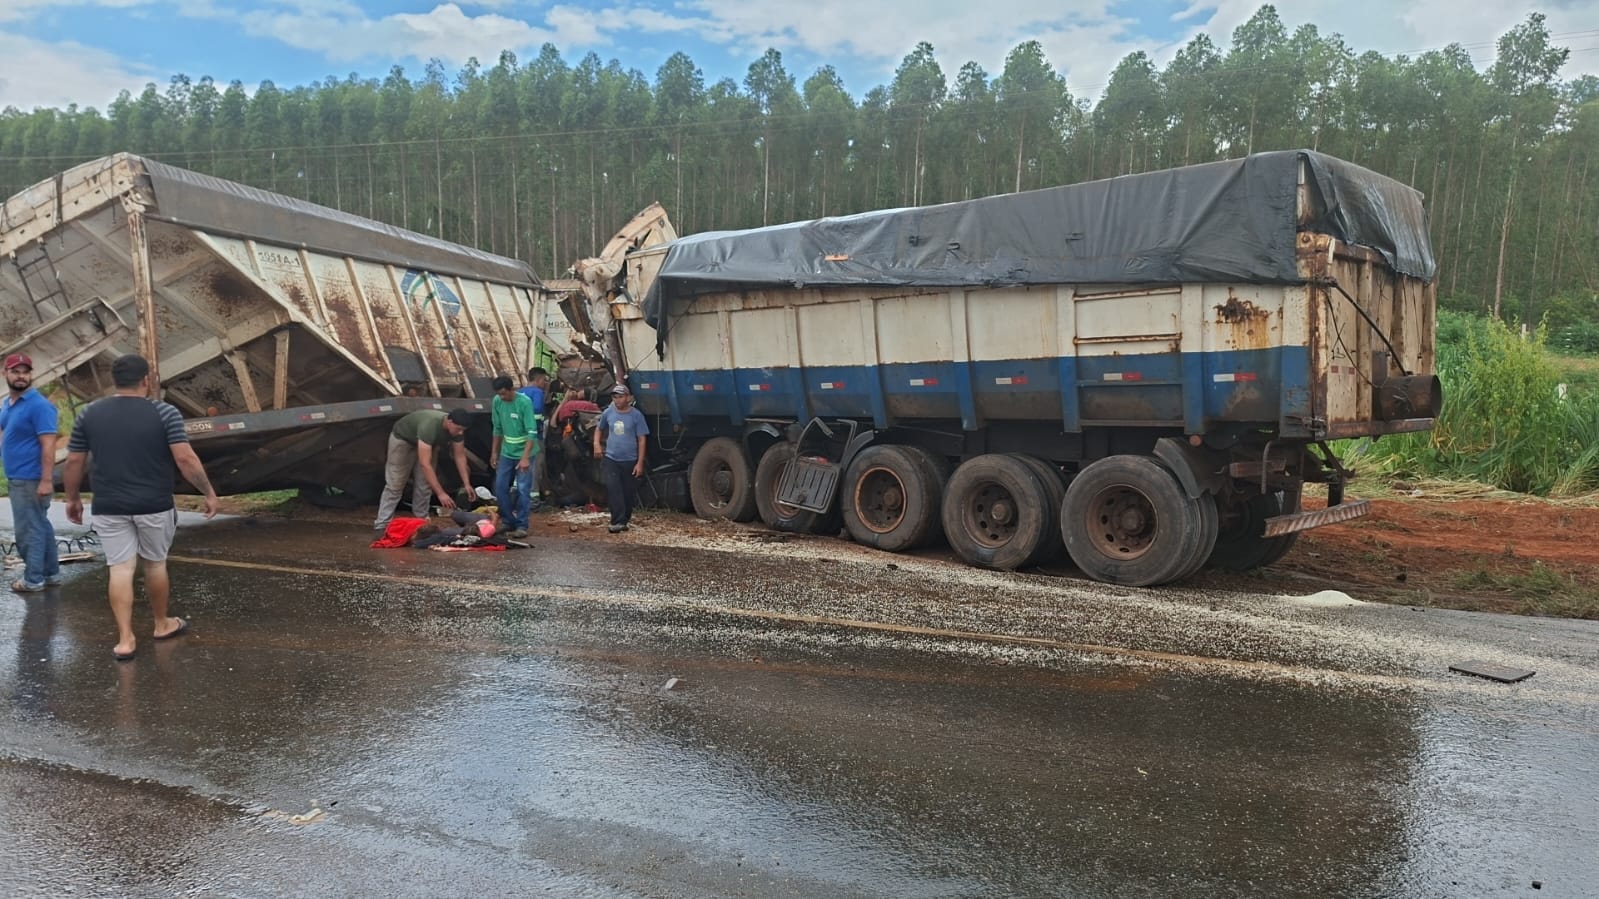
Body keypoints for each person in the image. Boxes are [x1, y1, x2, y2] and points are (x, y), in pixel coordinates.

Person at [62, 353, 219, 661]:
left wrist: (72, 498)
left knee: (120, 568)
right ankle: (161, 624)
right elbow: (185, 458)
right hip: (154, 505)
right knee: (155, 564)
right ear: (146, 380)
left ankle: (125, 639)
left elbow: (73, 462)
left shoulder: (90, 414)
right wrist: (209, 492)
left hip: (109, 505)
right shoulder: (164, 413)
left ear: (114, 381)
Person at [0, 353, 62, 593]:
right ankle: (50, 573)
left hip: (31, 478)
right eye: (16, 372)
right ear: (5, 373)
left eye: (25, 372)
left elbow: (48, 445)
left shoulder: (39, 406)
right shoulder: (9, 404)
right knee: (40, 526)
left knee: (28, 530)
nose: (21, 376)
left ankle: (33, 579)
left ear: (31, 375)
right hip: (18, 476)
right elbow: (5, 433)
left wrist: (46, 480)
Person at [373, 407, 473, 532]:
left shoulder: (457, 432)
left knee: (425, 484)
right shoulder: (430, 425)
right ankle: (382, 523)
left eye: (463, 430)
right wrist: (441, 493)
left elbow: (460, 456)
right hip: (404, 440)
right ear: (449, 421)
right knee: (396, 483)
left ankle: (421, 521)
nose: (460, 433)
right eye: (458, 429)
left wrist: (466, 483)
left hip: (429, 444)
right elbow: (425, 464)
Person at [593, 384, 648, 533]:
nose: (617, 400)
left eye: (621, 397)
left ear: (628, 398)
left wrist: (639, 463)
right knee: (613, 489)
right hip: (611, 458)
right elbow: (599, 429)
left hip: (630, 459)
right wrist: (596, 444)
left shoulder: (636, 416)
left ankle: (624, 519)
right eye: (615, 397)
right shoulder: (608, 413)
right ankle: (617, 520)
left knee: (627, 492)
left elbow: (642, 440)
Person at [489, 375, 535, 539]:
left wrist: (525, 458)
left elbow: (531, 432)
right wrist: (494, 452)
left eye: (504, 394)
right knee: (500, 487)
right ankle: (508, 521)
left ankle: (522, 525)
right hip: (507, 452)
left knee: (523, 489)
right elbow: (497, 428)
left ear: (512, 389)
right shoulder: (497, 401)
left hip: (524, 452)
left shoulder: (524, 402)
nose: (502, 397)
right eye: (499, 394)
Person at [519, 367, 551, 508]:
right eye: (544, 380)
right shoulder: (537, 392)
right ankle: (533, 500)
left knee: (520, 467)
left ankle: (519, 498)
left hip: (519, 437)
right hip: (534, 437)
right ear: (538, 379)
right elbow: (537, 412)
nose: (545, 383)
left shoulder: (519, 392)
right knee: (535, 466)